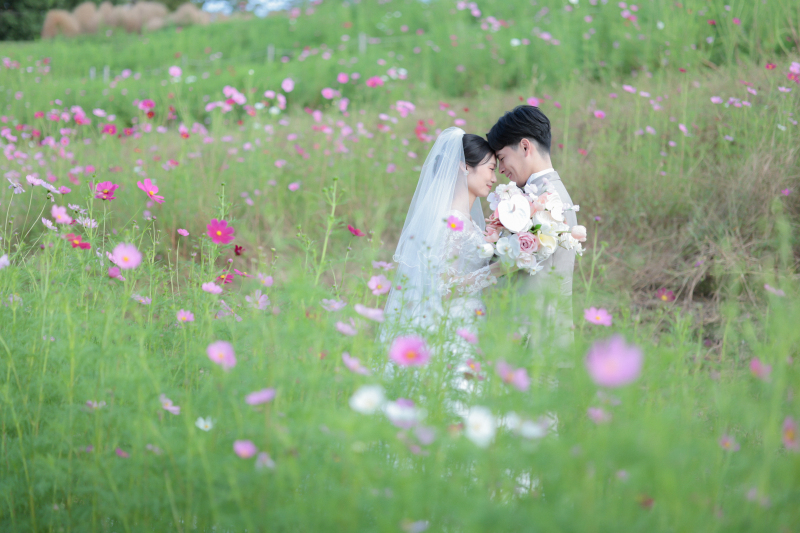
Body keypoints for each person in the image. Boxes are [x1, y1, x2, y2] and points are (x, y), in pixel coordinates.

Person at [380, 128, 516, 359]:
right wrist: (499, 268)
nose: (494, 179)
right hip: (451, 324)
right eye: (491, 169)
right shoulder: (452, 223)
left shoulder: (466, 221)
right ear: (464, 167)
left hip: (468, 319)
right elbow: (443, 289)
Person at [487, 105, 579, 356]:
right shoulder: (541, 192)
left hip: (536, 341)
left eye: (502, 157)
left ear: (525, 147)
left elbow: (518, 265)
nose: (500, 169)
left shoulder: (547, 199)